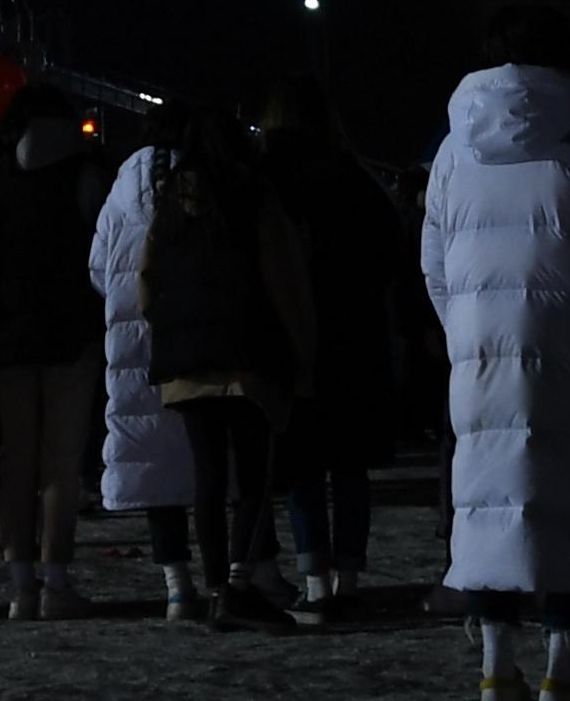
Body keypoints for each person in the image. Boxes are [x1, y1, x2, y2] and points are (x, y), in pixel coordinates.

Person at [425, 4, 570, 701]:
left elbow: (433, 256)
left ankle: (494, 666)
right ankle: (563, 670)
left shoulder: (456, 144)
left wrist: (464, 327)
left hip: (479, 342)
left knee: (489, 499)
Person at [143, 102, 313, 633]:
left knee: (209, 478)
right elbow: (284, 280)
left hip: (188, 360)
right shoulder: (255, 195)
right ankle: (240, 585)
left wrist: (171, 327)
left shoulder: (169, 200)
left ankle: (217, 587)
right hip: (248, 354)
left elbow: (146, 280)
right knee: (255, 478)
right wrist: (302, 352)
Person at [256, 74, 402, 624]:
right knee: (348, 466)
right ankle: (348, 578)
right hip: (355, 336)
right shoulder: (354, 179)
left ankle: (314, 582)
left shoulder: (268, 179)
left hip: (292, 336)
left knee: (302, 466)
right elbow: (390, 252)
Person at [0, 78, 107, 621]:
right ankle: (56, 581)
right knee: (62, 465)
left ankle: (20, 585)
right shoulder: (85, 175)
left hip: (5, 337)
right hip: (71, 333)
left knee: (16, 460)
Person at [89, 119, 204, 623]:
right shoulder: (200, 183)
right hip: (193, 338)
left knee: (156, 468)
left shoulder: (119, 194)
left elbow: (96, 266)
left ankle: (177, 585)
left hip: (133, 345)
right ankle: (231, 575)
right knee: (208, 463)